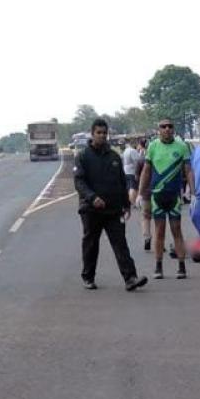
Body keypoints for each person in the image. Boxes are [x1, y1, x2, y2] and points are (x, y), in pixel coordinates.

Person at [73, 119, 148, 291]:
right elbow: (79, 182)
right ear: (92, 134)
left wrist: (126, 205)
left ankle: (130, 278)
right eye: (98, 132)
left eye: (104, 133)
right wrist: (92, 198)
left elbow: (121, 183)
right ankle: (88, 277)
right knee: (91, 243)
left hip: (113, 210)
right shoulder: (83, 156)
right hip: (91, 209)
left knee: (120, 243)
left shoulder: (114, 157)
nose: (102, 136)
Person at [139, 118, 193, 279]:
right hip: (157, 196)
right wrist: (140, 194)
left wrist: (193, 192)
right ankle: (158, 266)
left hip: (174, 196)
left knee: (177, 230)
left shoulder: (182, 146)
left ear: (173, 129)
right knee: (159, 231)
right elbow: (146, 171)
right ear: (159, 129)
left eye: (170, 126)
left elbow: (188, 171)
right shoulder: (153, 146)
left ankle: (181, 266)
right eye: (163, 126)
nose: (167, 129)